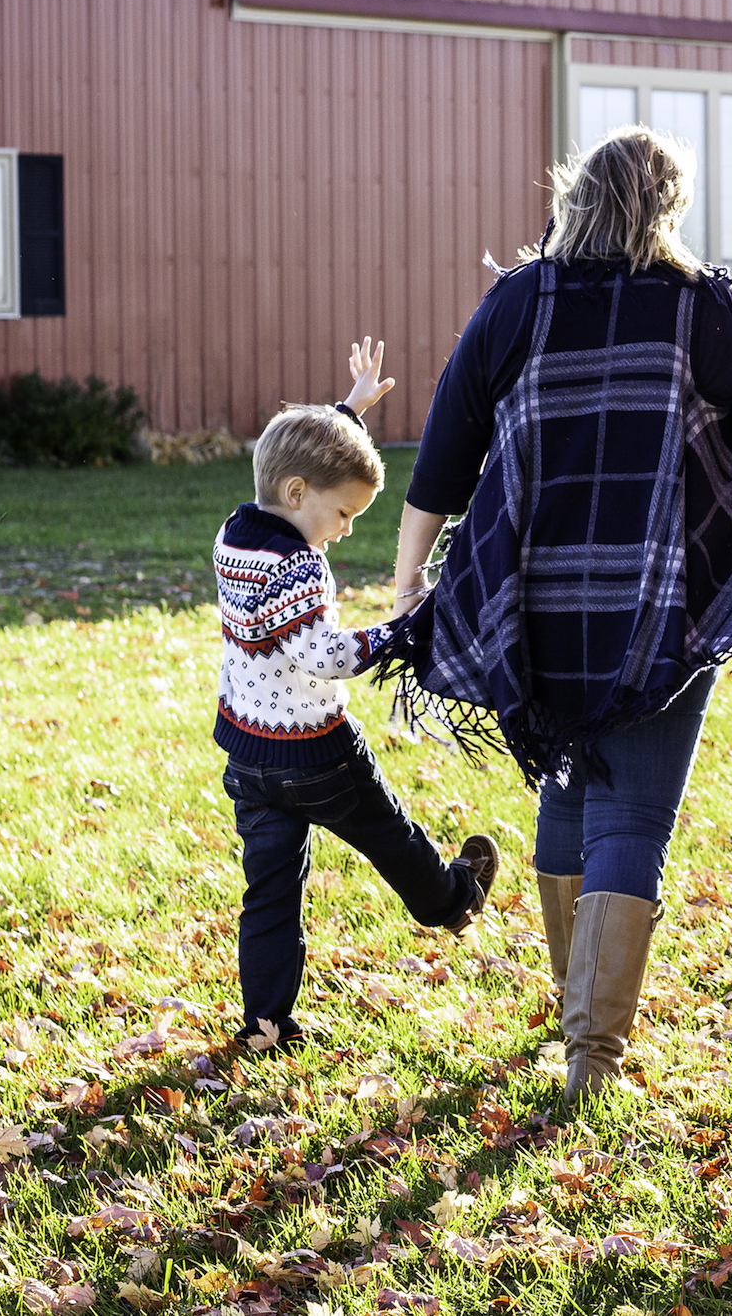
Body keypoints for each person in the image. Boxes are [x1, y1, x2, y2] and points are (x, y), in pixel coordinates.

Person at [382, 128, 732, 1108]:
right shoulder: (710, 308)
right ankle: (591, 1056)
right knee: (629, 811)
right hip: (663, 605)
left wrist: (408, 575)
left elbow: (446, 447)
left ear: (576, 198)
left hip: (531, 604)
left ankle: (577, 1015)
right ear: (668, 206)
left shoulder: (519, 300)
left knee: (566, 786)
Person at [214, 339, 500, 1051]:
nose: (343, 531)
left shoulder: (234, 535)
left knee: (269, 892)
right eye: (343, 514)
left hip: (248, 758)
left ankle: (266, 1024)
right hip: (318, 756)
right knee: (392, 838)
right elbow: (324, 654)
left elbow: (296, 462)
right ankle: (453, 901)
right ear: (298, 496)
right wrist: (401, 631)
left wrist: (348, 413)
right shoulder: (299, 567)